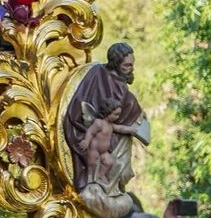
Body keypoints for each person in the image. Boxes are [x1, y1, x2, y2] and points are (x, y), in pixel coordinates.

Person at [64, 42, 156, 218]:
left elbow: (125, 113)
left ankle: (107, 185)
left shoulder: (119, 85)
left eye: (132, 64)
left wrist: (135, 128)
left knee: (113, 162)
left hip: (108, 143)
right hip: (91, 140)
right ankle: (95, 183)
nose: (130, 69)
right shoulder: (98, 75)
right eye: (126, 65)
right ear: (115, 63)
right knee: (104, 163)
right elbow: (85, 109)